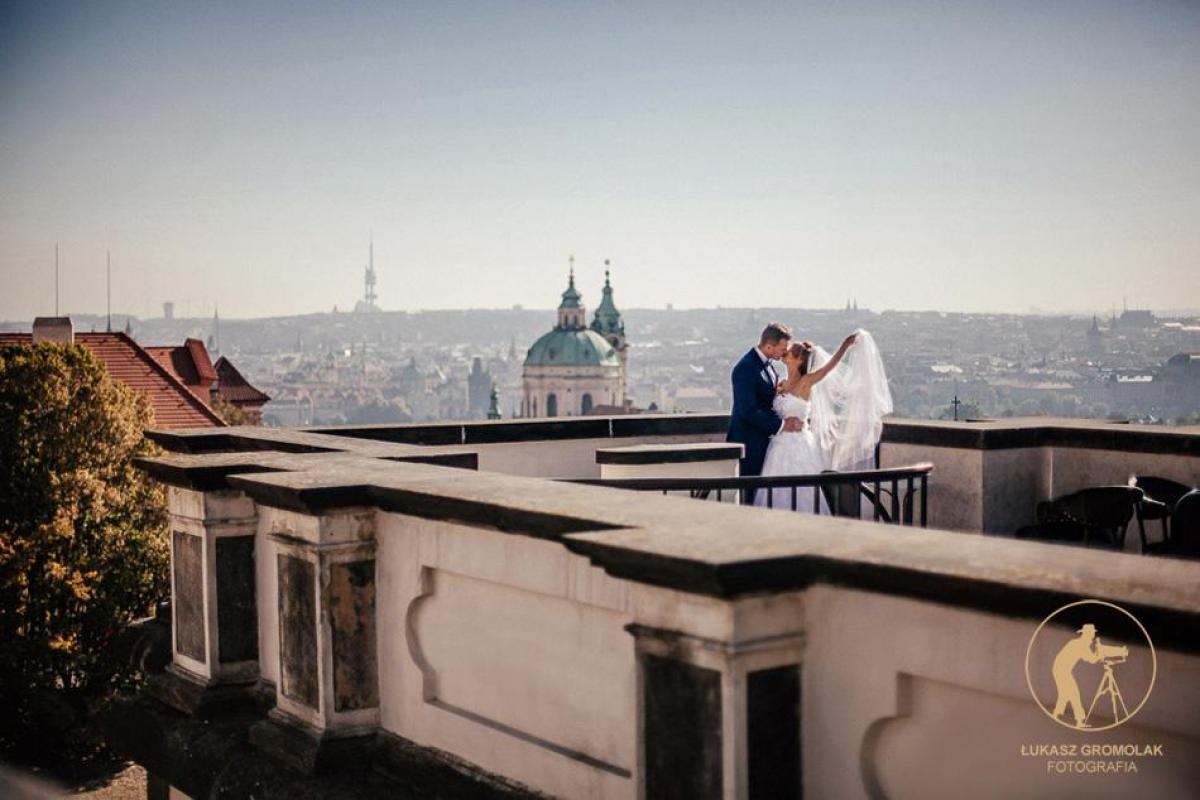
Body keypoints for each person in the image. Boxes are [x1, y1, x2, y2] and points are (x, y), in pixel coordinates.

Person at [756, 329, 893, 511]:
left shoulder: (806, 382)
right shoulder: (781, 383)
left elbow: (829, 367)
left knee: (802, 490)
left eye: (790, 351)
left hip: (798, 445)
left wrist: (845, 346)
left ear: (799, 360)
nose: (785, 351)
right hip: (779, 445)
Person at [727, 323, 804, 500]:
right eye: (782, 349)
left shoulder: (768, 365)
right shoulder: (746, 367)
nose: (785, 353)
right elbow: (748, 410)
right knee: (749, 494)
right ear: (769, 346)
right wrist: (782, 425)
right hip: (749, 443)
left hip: (763, 442)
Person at [1052, 623, 1102, 728]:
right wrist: (1100, 653)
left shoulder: (1077, 642)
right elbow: (1092, 660)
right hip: (1062, 670)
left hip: (1060, 669)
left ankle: (1056, 714)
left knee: (1065, 694)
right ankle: (1079, 721)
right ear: (1087, 634)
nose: (1093, 636)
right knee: (1074, 694)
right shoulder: (1082, 645)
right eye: (1092, 634)